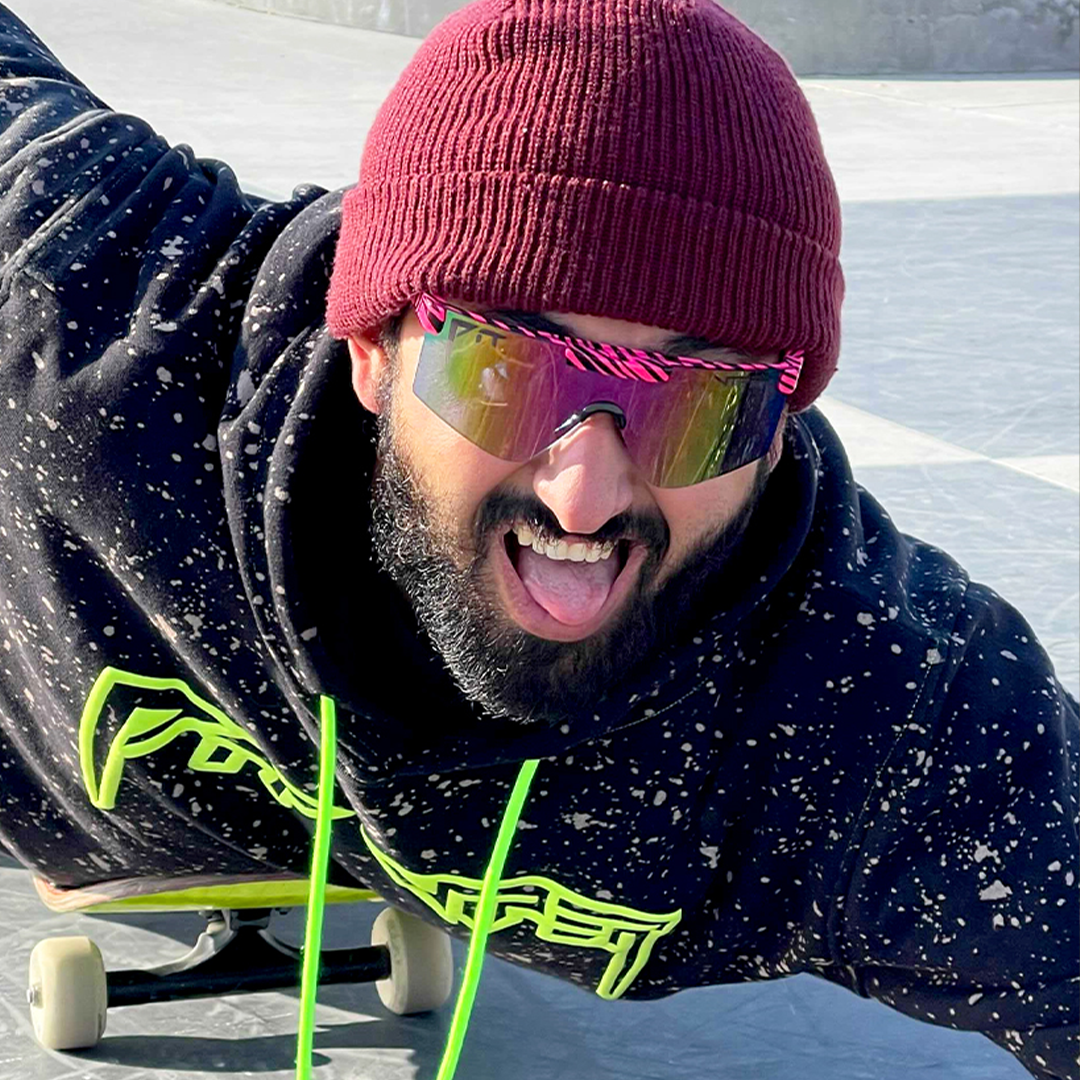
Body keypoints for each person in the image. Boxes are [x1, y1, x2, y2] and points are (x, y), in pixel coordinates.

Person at [0, 2, 1076, 1078]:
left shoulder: (866, 713)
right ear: (373, 347)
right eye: (506, 373)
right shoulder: (100, 324)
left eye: (698, 406)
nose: (584, 498)